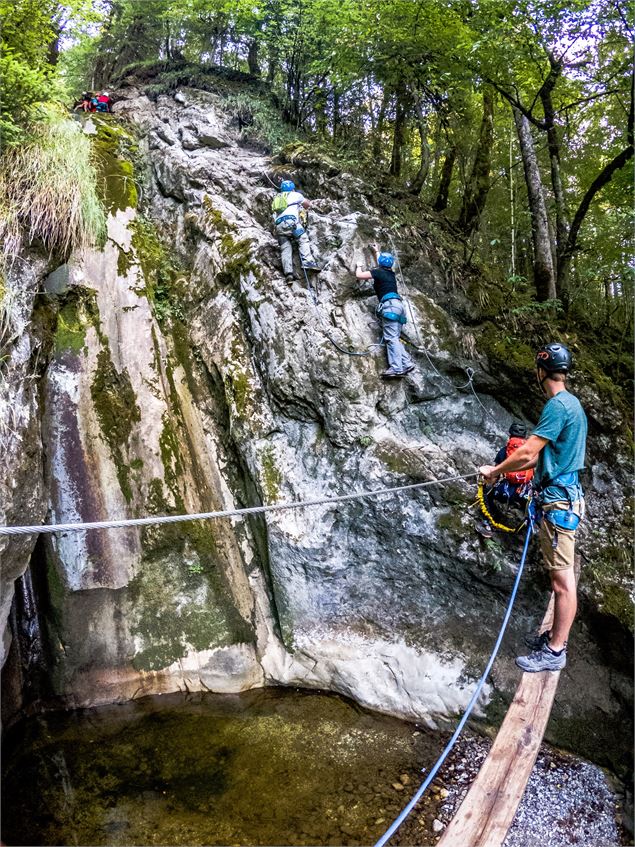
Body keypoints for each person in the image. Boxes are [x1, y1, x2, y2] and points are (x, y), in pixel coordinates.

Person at [479, 342, 587, 672]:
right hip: (563, 497)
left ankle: (555, 652)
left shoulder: (557, 406)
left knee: (562, 582)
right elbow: (543, 453)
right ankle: (555, 643)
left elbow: (528, 453)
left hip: (558, 503)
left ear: (541, 371)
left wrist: (495, 471)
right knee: (562, 579)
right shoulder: (574, 405)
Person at [355, 244, 415, 378]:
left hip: (389, 305)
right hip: (399, 306)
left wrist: (358, 265)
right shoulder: (390, 273)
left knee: (390, 338)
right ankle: (406, 363)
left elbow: (359, 276)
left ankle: (396, 368)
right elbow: (381, 262)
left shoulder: (378, 272)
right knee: (394, 337)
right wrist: (376, 251)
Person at [475, 422, 534, 538]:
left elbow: (495, 475)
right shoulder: (531, 452)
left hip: (505, 490)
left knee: (487, 495)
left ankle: (488, 525)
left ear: (510, 435)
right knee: (533, 504)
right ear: (525, 436)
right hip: (524, 492)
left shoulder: (504, 451)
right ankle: (529, 528)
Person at [271, 179, 320, 282]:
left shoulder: (277, 198)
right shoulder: (296, 195)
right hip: (292, 223)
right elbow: (307, 204)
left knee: (285, 248)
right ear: (292, 188)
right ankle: (308, 262)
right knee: (303, 239)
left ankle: (288, 274)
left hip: (279, 226)